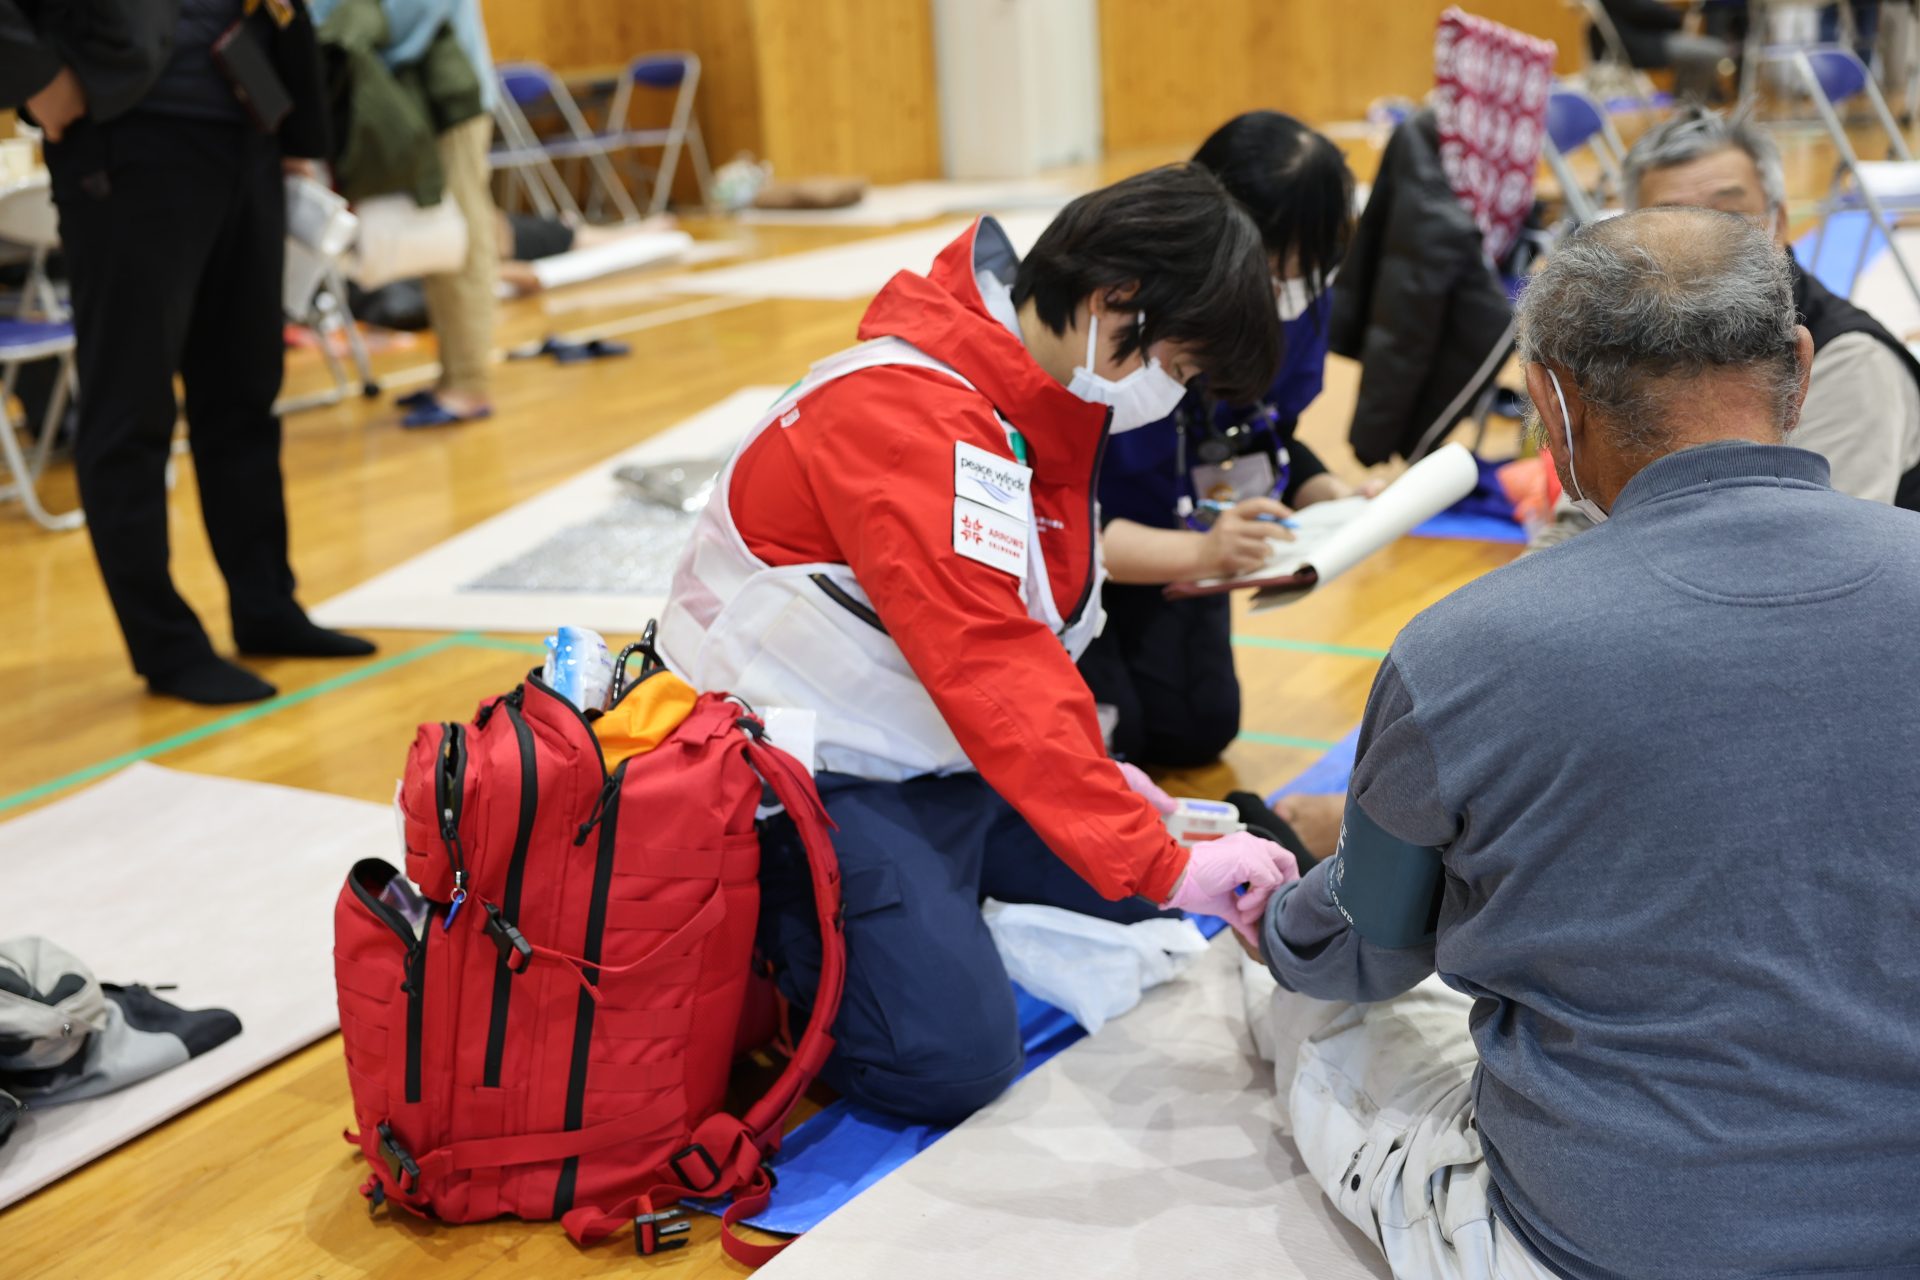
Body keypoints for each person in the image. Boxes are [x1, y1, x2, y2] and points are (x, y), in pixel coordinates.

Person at [1250, 207, 1920, 1279]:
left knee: (1311, 1007)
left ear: (1552, 403)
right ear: (1797, 366)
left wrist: (1273, 920)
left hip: (1602, 1239)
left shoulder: (1464, 649)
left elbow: (1364, 946)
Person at [659, 166, 1301, 1123]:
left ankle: (939, 908)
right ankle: (775, 934)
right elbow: (989, 660)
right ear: (1112, 300)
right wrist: (1159, 855)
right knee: (951, 1065)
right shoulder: (909, 416)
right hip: (811, 776)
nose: (1178, 392)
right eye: (1180, 363)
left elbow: (1022, 648)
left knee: (1151, 904)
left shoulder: (1035, 395)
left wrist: (1126, 805)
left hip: (932, 751)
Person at [0, 0, 374, 705]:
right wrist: (40, 79)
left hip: (244, 126)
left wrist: (297, 125)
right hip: (125, 133)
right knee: (130, 406)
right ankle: (166, 646)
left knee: (243, 395)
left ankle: (267, 606)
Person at [1080, 112, 1362, 769]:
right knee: (1106, 740)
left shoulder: (1303, 304)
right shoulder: (1122, 326)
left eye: (1312, 271)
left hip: (1189, 548)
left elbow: (1267, 430)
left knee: (1197, 728)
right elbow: (1060, 525)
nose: (1291, 294)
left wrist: (1334, 499)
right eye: (1275, 270)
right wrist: (1201, 549)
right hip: (1089, 559)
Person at [310, 0, 497, 427]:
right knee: (435, 239)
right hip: (415, 96)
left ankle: (468, 385)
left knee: (461, 239)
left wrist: (353, 35)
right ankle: (452, 375)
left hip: (447, 99)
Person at [1591, 0, 1733, 101]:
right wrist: (1679, 18)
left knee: (1707, 51)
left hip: (1646, 38)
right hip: (1638, 45)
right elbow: (1640, 10)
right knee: (1713, 52)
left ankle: (1683, 110)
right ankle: (1687, 111)